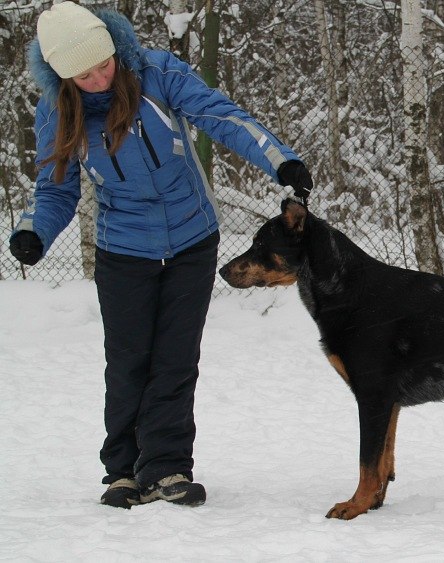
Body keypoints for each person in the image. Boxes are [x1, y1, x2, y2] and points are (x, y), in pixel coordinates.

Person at [8, 2, 313, 509]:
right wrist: (33, 232)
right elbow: (55, 189)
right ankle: (123, 471)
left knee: (175, 359)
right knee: (129, 361)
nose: (99, 77)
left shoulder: (155, 72)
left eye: (103, 63)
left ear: (113, 48)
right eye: (83, 74)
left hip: (192, 239)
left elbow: (222, 117)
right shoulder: (57, 111)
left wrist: (280, 160)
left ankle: (168, 468)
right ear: (63, 76)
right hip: (123, 250)